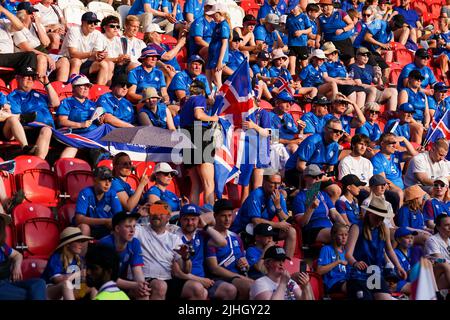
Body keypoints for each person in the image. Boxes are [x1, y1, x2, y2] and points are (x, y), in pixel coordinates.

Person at [134, 200, 208, 300]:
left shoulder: (174, 238)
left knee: (197, 288)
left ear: (168, 217)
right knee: (160, 286)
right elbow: (118, 227)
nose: (156, 215)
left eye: (161, 212)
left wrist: (185, 258)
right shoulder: (139, 230)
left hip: (167, 279)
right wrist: (137, 215)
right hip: (146, 278)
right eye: (154, 211)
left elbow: (186, 270)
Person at [345, 196, 408, 300]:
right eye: (377, 217)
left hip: (375, 274)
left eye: (382, 218)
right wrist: (355, 263)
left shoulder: (384, 228)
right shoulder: (356, 227)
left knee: (385, 297)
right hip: (358, 275)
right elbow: (348, 254)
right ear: (370, 213)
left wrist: (398, 266)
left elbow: (389, 249)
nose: (380, 221)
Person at [173, 204, 237, 300]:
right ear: (180, 220)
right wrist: (200, 280)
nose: (190, 223)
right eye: (186, 219)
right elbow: (177, 272)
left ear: (198, 220)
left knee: (230, 290)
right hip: (185, 281)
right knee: (199, 290)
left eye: (193, 219)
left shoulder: (200, 234)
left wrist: (205, 226)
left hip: (204, 279)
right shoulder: (174, 238)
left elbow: (222, 242)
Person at [231, 172, 296, 258]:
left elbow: (286, 221)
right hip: (245, 229)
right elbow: (256, 221)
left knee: (291, 231)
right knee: (266, 237)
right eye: (273, 183)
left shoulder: (278, 196)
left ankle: (285, 264)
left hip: (265, 229)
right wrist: (278, 225)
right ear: (264, 182)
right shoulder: (256, 194)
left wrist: (278, 206)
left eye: (278, 184)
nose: (276, 187)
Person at [206, 199, 254, 300]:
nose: (227, 219)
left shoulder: (236, 237)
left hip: (238, 277)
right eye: (223, 216)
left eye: (230, 215)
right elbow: (214, 269)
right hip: (219, 279)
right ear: (215, 216)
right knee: (248, 286)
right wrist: (238, 277)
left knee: (260, 286)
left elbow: (243, 262)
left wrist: (246, 264)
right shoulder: (211, 238)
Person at [284, 118, 343, 202]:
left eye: (341, 132)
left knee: (336, 191)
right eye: (335, 131)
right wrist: (319, 176)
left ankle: (327, 213)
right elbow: (300, 166)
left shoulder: (335, 146)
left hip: (317, 173)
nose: (338, 134)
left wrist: (326, 177)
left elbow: (331, 169)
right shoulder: (313, 141)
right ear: (326, 129)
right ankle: (299, 204)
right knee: (313, 188)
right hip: (295, 171)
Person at [179, 80, 218, 205]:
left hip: (186, 136)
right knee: (208, 183)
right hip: (199, 134)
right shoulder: (199, 98)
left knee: (195, 184)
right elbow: (198, 115)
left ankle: (193, 213)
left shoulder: (185, 103)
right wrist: (213, 118)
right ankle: (210, 215)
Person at [99, 211, 150, 300]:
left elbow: (137, 270)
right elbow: (107, 278)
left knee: (143, 293)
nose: (132, 230)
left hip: (121, 282)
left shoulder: (134, 243)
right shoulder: (105, 244)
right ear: (117, 228)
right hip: (102, 283)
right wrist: (135, 285)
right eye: (128, 226)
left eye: (134, 226)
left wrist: (142, 285)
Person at [7, 66, 55, 159]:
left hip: (47, 130)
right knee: (46, 130)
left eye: (33, 77)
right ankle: (34, 157)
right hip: (28, 130)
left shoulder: (38, 94)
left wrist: (47, 84)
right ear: (17, 78)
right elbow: (18, 119)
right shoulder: (13, 97)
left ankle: (38, 162)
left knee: (47, 130)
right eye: (26, 76)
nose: (30, 79)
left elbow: (55, 103)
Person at [13, 2, 69, 81]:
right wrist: (47, 56)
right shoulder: (17, 29)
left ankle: (60, 89)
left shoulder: (36, 25)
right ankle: (40, 87)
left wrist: (38, 24)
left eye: (33, 12)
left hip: (41, 53)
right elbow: (27, 49)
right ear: (22, 15)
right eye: (30, 12)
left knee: (64, 61)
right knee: (42, 58)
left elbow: (46, 42)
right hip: (27, 57)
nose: (33, 14)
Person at [293, 164, 347, 245]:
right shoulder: (300, 197)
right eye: (314, 176)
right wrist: (311, 208)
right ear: (305, 178)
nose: (318, 179)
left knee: (349, 233)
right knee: (339, 235)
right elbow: (302, 223)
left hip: (329, 227)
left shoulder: (323, 194)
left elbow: (335, 214)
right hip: (312, 229)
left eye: (320, 176)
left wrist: (345, 226)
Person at [0, 212, 46, 300]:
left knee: (39, 283)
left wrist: (17, 267)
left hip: (7, 283)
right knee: (29, 294)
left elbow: (18, 255)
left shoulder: (2, 246)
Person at [60, 12, 113, 86]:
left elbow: (96, 55)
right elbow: (73, 53)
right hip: (68, 61)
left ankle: (99, 91)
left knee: (104, 64)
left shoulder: (97, 34)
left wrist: (100, 55)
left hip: (86, 63)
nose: (93, 25)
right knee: (76, 61)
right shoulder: (74, 30)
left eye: (95, 23)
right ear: (82, 22)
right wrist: (92, 54)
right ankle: (72, 87)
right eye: (90, 22)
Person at [42, 227, 93, 300]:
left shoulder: (80, 259)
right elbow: (57, 280)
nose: (81, 244)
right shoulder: (56, 257)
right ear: (68, 244)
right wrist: (79, 273)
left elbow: (79, 285)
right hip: (49, 293)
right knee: (66, 284)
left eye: (81, 241)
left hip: (69, 293)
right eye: (78, 241)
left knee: (94, 286)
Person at [249, 245, 314, 300]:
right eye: (277, 260)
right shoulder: (260, 283)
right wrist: (283, 284)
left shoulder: (290, 282)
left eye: (283, 260)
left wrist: (305, 287)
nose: (281, 264)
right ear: (267, 263)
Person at [56, 74, 98, 158]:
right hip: (75, 134)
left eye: (88, 86)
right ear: (74, 87)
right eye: (83, 85)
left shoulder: (93, 104)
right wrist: (80, 125)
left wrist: (100, 121)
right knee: (73, 147)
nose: (86, 88)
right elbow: (61, 121)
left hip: (93, 135)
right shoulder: (67, 102)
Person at [75, 166, 123, 239]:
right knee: (85, 228)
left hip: (104, 229)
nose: (107, 184)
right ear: (94, 180)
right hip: (89, 228)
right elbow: (79, 219)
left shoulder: (112, 194)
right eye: (103, 179)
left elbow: (120, 217)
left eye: (110, 180)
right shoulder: (85, 193)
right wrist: (105, 221)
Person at [371, 133, 418, 206]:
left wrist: (404, 139)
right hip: (389, 189)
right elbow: (383, 179)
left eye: (395, 143)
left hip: (403, 186)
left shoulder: (395, 154)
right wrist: (398, 189)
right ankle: (398, 215)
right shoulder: (377, 159)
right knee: (399, 193)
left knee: (420, 193)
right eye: (391, 143)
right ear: (383, 144)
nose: (394, 146)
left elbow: (414, 155)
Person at [348, 47, 398, 114]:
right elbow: (358, 83)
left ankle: (391, 114)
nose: (366, 57)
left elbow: (379, 84)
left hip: (371, 90)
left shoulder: (369, 67)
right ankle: (367, 112)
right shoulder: (353, 66)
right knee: (373, 89)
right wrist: (375, 86)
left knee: (393, 91)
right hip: (361, 90)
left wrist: (379, 76)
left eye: (367, 56)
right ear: (357, 56)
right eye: (363, 55)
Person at [322, 42, 366, 110]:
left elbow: (345, 76)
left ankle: (358, 113)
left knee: (361, 91)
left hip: (344, 84)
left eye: (334, 53)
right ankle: (348, 111)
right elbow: (326, 78)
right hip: (333, 86)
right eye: (330, 53)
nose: (334, 55)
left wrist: (348, 80)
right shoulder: (323, 64)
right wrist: (342, 81)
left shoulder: (340, 63)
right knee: (351, 90)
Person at [316, 0, 355, 65]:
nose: (322, 8)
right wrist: (317, 42)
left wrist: (343, 30)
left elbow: (351, 24)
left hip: (344, 42)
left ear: (330, 6)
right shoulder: (320, 18)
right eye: (321, 6)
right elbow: (319, 32)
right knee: (336, 62)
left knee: (350, 61)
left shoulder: (340, 12)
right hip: (330, 43)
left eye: (323, 6)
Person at [0, 4, 37, 71]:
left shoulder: (4, 23)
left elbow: (20, 27)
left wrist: (3, 10)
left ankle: (27, 78)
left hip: (7, 57)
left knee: (30, 55)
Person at [317, 223, 349, 295]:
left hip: (346, 280)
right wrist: (338, 262)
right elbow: (319, 271)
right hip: (332, 283)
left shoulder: (347, 252)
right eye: (341, 234)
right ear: (334, 236)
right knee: (352, 286)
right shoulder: (326, 249)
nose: (344, 237)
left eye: (346, 235)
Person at [205, 3, 230, 90]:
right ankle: (210, 99)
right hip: (213, 56)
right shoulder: (218, 25)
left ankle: (221, 100)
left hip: (218, 57)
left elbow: (224, 44)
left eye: (214, 14)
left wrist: (220, 61)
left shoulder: (224, 25)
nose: (212, 16)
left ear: (219, 13)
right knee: (208, 78)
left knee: (217, 80)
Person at [424, 214, 450, 291]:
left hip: (445, 275)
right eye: (447, 225)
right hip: (434, 276)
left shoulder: (449, 240)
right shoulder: (432, 240)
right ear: (438, 227)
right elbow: (440, 260)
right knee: (444, 263)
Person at [285, 1, 312, 74]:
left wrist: (301, 32)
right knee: (291, 65)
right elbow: (286, 29)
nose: (291, 10)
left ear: (298, 6)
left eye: (293, 8)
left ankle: (306, 81)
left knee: (304, 65)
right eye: (290, 9)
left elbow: (309, 29)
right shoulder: (289, 17)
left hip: (301, 44)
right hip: (291, 44)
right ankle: (292, 82)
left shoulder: (304, 17)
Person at [393, 227, 417, 295]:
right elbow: (398, 275)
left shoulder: (412, 251)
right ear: (398, 240)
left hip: (411, 281)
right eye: (407, 238)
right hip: (400, 282)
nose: (410, 240)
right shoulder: (395, 254)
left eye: (411, 238)